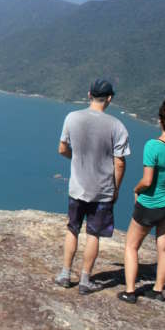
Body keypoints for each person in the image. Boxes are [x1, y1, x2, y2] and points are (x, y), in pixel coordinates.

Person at [55, 79, 130, 294]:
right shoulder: (117, 126)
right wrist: (116, 188)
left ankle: (65, 274)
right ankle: (86, 280)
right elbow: (120, 162)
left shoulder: (72, 118)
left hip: (77, 188)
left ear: (89, 95)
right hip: (102, 190)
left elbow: (62, 149)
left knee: (72, 229)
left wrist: (76, 157)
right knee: (94, 235)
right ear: (109, 98)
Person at [118, 98, 165, 304]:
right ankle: (158, 290)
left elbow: (147, 180)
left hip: (151, 204)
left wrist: (136, 190)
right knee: (164, 247)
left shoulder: (153, 146)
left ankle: (130, 292)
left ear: (162, 120)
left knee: (132, 246)